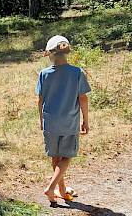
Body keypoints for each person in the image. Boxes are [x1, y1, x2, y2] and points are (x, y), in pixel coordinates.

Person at [36, 35, 91, 205]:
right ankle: (51, 188)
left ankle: (61, 190)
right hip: (69, 122)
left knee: (55, 157)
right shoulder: (77, 72)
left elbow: (40, 99)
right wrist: (86, 120)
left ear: (49, 54)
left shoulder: (44, 74)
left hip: (50, 122)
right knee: (66, 157)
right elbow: (83, 98)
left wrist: (41, 120)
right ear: (66, 53)